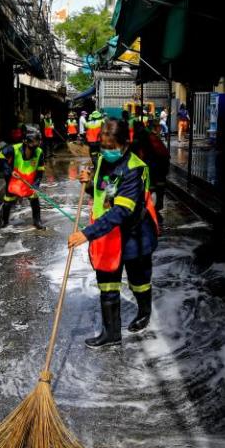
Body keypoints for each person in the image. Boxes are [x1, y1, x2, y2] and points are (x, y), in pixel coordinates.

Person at [68, 118, 160, 349]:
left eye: (111, 147)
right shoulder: (101, 161)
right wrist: (88, 183)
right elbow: (102, 191)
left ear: (125, 144)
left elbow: (121, 211)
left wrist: (87, 233)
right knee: (107, 283)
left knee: (138, 280)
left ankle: (144, 312)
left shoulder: (134, 169)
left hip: (133, 236)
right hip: (108, 235)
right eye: (103, 146)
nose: (106, 151)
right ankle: (111, 333)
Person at [0, 126, 45, 229]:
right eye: (32, 142)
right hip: (16, 179)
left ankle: (37, 221)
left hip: (30, 181)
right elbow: (1, 155)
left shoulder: (39, 152)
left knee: (34, 199)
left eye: (37, 141)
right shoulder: (14, 149)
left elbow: (40, 169)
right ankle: (4, 221)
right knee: (8, 200)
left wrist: (36, 184)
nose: (35, 145)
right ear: (25, 141)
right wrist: (9, 171)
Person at [133, 119, 171, 215]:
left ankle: (154, 206)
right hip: (161, 163)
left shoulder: (142, 136)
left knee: (153, 185)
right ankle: (157, 205)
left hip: (155, 163)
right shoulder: (151, 136)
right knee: (158, 185)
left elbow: (140, 153)